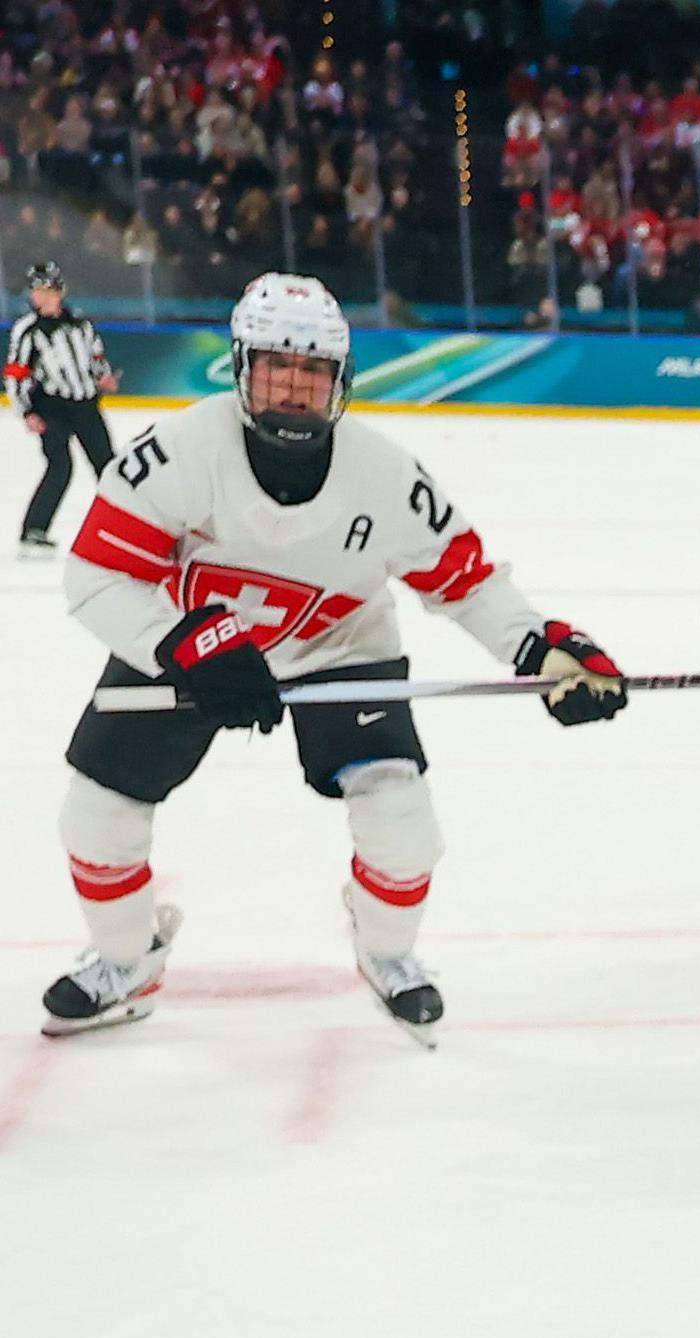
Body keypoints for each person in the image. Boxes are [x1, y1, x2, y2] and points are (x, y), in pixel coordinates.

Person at [43, 273, 627, 1044]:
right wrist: (183, 641)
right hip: (194, 641)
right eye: (275, 368)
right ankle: (126, 960)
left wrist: (544, 646)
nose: (292, 388)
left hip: (342, 644)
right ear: (240, 369)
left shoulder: (386, 479)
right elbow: (96, 573)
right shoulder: (178, 453)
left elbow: (468, 581)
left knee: (402, 821)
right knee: (96, 813)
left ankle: (386, 950)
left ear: (340, 382)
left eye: (312, 371)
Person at [10, 260, 122, 554]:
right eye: (36, 290)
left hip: (85, 405)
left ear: (60, 291)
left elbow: (95, 357)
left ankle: (125, 527)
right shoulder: (28, 330)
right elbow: (16, 374)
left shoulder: (81, 324)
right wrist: (26, 412)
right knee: (60, 466)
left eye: (46, 289)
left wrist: (104, 377)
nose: (40, 296)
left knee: (109, 468)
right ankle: (34, 530)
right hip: (51, 408)